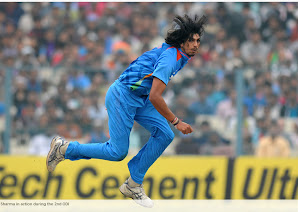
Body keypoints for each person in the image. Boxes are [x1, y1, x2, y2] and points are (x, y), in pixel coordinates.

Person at [46, 14, 207, 207]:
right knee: (117, 151)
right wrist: (176, 121)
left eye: (198, 40)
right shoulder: (171, 59)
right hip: (123, 95)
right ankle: (64, 149)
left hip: (140, 96)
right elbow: (156, 96)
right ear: (182, 42)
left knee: (165, 135)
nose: (196, 44)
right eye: (191, 40)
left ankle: (133, 184)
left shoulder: (179, 55)